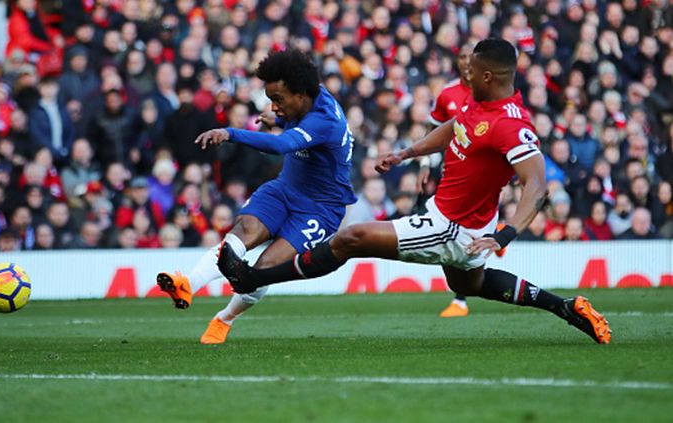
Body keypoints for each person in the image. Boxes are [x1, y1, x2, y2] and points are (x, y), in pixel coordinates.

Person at [217, 39, 611, 345]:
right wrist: (408, 152)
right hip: (460, 219)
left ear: (488, 75)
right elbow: (456, 126)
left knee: (352, 238)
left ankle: (251, 279)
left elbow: (537, 183)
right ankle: (565, 307)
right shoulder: (481, 104)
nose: (464, 76)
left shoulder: (510, 125)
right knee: (467, 285)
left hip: (454, 226)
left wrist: (506, 233)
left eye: (470, 71)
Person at [156, 49, 356, 344]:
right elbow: (293, 127)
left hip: (319, 210)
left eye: (278, 99)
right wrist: (280, 120)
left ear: (300, 95)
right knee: (241, 235)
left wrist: (231, 133)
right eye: (271, 98)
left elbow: (282, 145)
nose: (273, 105)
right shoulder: (308, 97)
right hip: (284, 189)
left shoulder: (325, 120)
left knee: (264, 269)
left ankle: (223, 320)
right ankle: (188, 284)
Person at [426, 43, 477, 318]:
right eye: (462, 57)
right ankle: (460, 296)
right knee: (454, 229)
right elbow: (433, 130)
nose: (467, 62)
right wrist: (424, 162)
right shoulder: (447, 94)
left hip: (482, 173)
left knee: (463, 230)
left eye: (472, 57)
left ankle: (461, 297)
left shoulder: (491, 93)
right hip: (453, 172)